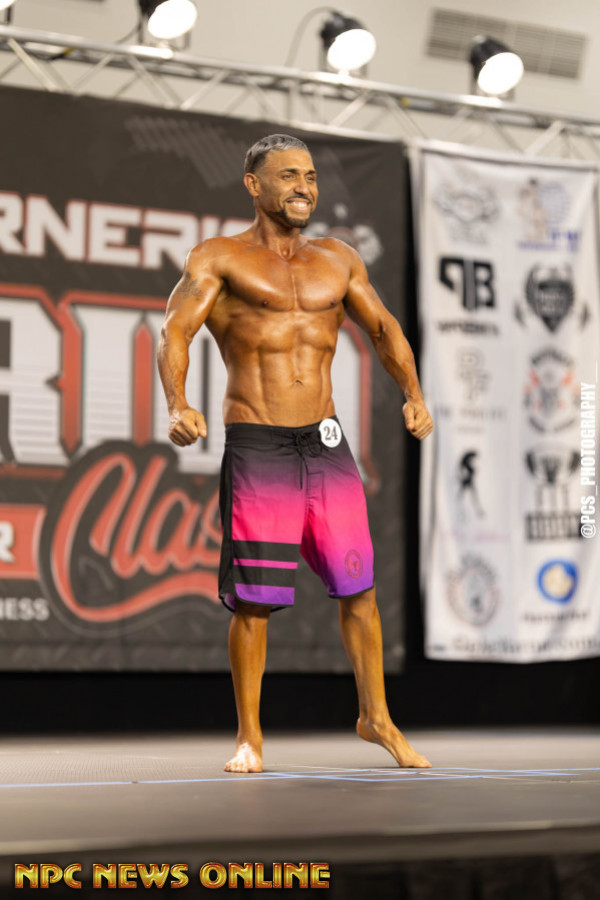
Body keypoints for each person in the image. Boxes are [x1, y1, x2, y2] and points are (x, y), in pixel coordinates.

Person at [157, 134, 433, 773]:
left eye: (309, 176)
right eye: (287, 176)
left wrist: (414, 395)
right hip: (260, 441)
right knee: (255, 599)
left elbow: (384, 328)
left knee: (358, 586)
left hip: (326, 440)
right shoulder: (219, 257)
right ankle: (250, 737)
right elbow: (175, 331)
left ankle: (376, 718)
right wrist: (177, 404)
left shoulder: (338, 259)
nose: (303, 186)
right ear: (254, 185)